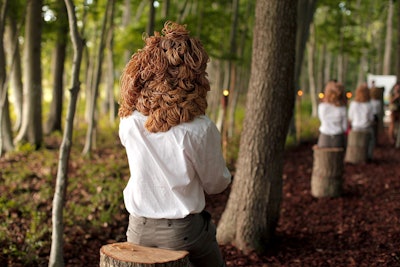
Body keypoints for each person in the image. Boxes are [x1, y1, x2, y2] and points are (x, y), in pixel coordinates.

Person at [118, 21, 231, 267]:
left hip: (138, 229)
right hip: (184, 233)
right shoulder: (200, 128)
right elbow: (216, 184)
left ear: (147, 68)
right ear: (195, 73)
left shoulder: (130, 121)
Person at [317, 81, 348, 148]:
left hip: (324, 138)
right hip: (338, 139)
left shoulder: (322, 107)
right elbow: (345, 127)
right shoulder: (342, 109)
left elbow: (322, 121)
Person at [348, 83, 375, 160]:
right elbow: (371, 119)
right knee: (372, 140)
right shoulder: (369, 105)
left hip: (355, 127)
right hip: (366, 128)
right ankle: (369, 156)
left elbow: (350, 117)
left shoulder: (353, 104)